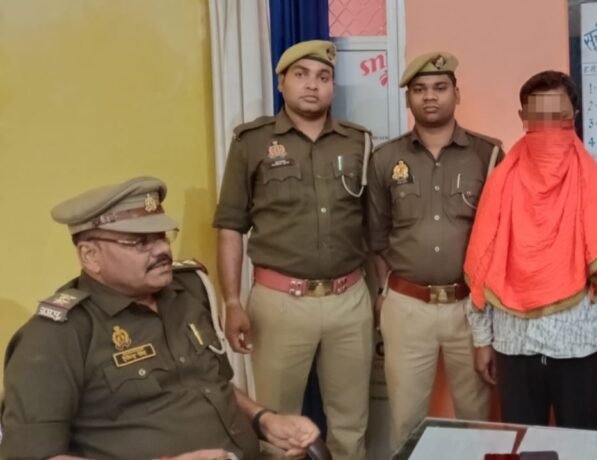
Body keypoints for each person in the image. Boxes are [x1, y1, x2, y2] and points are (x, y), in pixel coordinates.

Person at [0, 177, 321, 459]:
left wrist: (264, 420)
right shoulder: (56, 336)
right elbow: (30, 456)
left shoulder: (186, 293)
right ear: (90, 256)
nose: (162, 251)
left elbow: (214, 386)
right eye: (140, 242)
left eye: (162, 236)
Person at [214, 40, 373, 459]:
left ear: (333, 87)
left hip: (349, 301)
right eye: (301, 75)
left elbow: (372, 227)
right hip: (280, 303)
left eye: (323, 77)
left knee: (351, 426)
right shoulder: (252, 142)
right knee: (278, 430)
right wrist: (232, 301)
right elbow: (230, 226)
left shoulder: (359, 143)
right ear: (281, 83)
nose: (312, 85)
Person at [464, 70, 597, 429]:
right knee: (521, 445)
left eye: (557, 116)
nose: (548, 127)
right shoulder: (502, 178)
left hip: (580, 346)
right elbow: (484, 260)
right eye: (538, 117)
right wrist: (482, 338)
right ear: (522, 118)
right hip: (513, 344)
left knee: (581, 448)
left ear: (573, 115)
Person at [366, 51, 500, 448]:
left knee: (478, 419)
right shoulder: (385, 159)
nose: (429, 97)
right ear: (408, 98)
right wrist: (383, 292)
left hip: (470, 308)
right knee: (406, 422)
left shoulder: (488, 154)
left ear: (456, 94)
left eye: (440, 88)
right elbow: (376, 236)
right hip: (407, 306)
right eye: (419, 89)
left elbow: (500, 234)